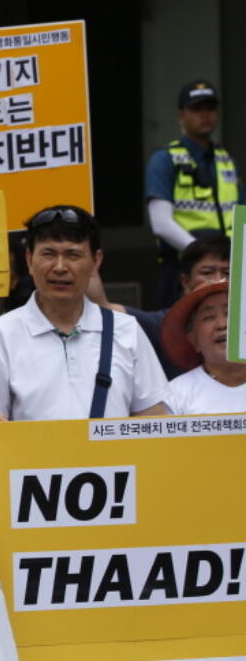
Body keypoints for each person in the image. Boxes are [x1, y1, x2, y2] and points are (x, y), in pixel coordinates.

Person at [0, 206, 170, 421]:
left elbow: (153, 419)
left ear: (95, 262)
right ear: (30, 260)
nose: (60, 267)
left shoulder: (126, 330)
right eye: (48, 254)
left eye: (73, 254)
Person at [145, 81, 239, 306]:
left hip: (227, 268)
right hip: (182, 268)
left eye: (210, 108)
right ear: (181, 115)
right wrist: (201, 256)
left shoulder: (225, 160)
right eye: (197, 108)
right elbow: (161, 224)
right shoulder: (165, 159)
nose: (205, 114)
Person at [91, 234, 231, 379]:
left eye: (227, 273)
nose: (218, 280)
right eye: (207, 272)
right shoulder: (166, 324)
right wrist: (86, 264)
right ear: (185, 281)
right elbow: (104, 308)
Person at [160, 280, 246, 414]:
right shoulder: (174, 396)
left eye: (230, 313)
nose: (222, 325)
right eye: (209, 317)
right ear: (194, 340)